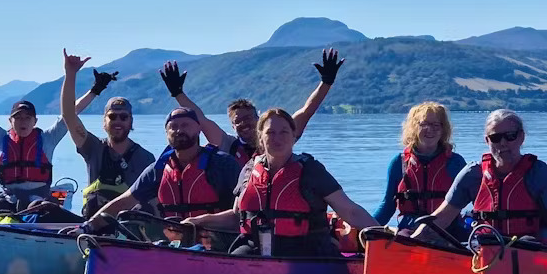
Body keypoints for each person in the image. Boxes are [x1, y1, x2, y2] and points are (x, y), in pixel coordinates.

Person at [185, 107, 375, 258]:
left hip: (306, 252)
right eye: (270, 132)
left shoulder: (311, 170)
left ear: (294, 136)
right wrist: (199, 220)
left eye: (284, 132)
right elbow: (236, 217)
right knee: (232, 263)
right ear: (261, 138)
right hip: (254, 249)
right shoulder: (249, 170)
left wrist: (381, 233)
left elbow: (350, 210)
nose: (277, 138)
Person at [0, 59, 109, 210]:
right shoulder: (1, 139)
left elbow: (71, 112)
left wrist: (95, 90)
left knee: (35, 205)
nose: (22, 122)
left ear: (35, 121)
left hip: (38, 201)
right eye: (18, 118)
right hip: (9, 200)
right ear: (10, 121)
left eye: (27, 118)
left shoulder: (48, 139)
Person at [158, 49, 345, 166]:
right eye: (237, 121)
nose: (243, 124)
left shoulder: (277, 136)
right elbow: (201, 120)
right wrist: (178, 94)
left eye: (248, 118)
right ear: (232, 126)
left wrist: (326, 83)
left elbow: (306, 112)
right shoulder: (227, 145)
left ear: (258, 119)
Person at [410, 109, 547, 247]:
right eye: (495, 138)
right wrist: (412, 242)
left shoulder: (539, 173)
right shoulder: (472, 173)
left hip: (529, 250)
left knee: (527, 242)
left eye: (510, 136)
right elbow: (441, 217)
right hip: (485, 250)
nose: (503, 143)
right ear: (487, 141)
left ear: (521, 137)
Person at [72, 107, 242, 234]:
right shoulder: (159, 169)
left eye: (185, 125)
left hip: (219, 241)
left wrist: (198, 221)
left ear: (198, 129)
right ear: (166, 133)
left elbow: (241, 213)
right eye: (173, 127)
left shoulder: (223, 164)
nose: (179, 130)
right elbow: (123, 202)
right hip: (174, 243)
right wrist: (87, 226)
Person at [60, 50, 156, 218]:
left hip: (127, 228)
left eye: (123, 117)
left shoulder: (146, 159)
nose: (118, 121)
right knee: (43, 208)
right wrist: (70, 73)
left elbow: (154, 201)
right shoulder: (92, 147)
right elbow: (68, 115)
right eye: (112, 117)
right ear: (104, 122)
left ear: (131, 122)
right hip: (90, 225)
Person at [372, 102, 467, 229]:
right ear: (414, 128)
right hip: (410, 229)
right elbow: (387, 206)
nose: (430, 129)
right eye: (424, 124)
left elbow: (476, 201)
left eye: (436, 125)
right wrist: (365, 228)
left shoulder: (456, 162)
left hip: (448, 230)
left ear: (443, 129)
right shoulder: (399, 163)